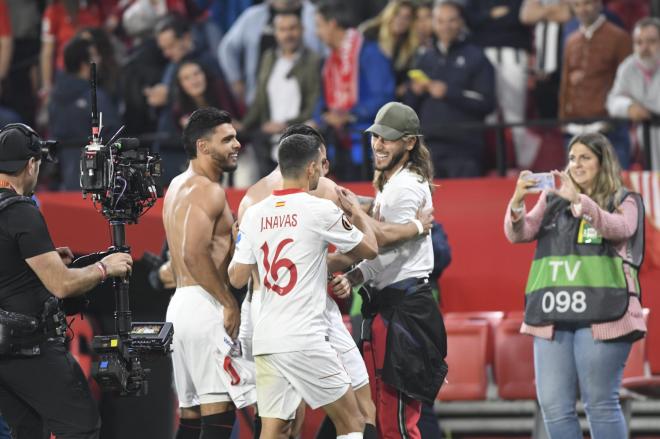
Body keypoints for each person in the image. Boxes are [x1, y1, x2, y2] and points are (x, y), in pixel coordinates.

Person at [236, 123, 433, 439]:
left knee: (278, 424)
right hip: (305, 316)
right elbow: (373, 242)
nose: (326, 169)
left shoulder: (252, 203)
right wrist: (416, 227)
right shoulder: (323, 194)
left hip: (262, 315)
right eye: (324, 161)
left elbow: (240, 273)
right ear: (312, 162)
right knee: (358, 412)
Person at [228, 133, 379, 439]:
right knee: (353, 421)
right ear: (312, 168)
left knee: (272, 431)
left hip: (267, 337)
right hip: (306, 336)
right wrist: (359, 214)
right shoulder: (319, 210)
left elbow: (236, 277)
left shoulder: (254, 214)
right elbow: (370, 250)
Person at [504, 132, 646, 439]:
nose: (575, 164)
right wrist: (517, 201)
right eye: (571, 157)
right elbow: (520, 232)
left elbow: (620, 228)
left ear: (602, 162)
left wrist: (580, 201)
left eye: (585, 157)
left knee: (600, 404)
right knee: (554, 406)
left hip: (604, 315)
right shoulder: (551, 199)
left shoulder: (626, 200)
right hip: (553, 313)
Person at [0, 123, 133, 438]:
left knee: (27, 430)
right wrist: (105, 267)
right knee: (80, 426)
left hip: (4, 352)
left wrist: (37, 260)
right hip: (28, 347)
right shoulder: (21, 211)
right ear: (31, 164)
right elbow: (63, 285)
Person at [339, 102, 448, 439]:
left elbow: (381, 240)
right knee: (387, 416)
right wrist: (355, 276)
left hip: (402, 312)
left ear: (410, 142)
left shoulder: (402, 187)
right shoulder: (392, 183)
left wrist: (352, 211)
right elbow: (387, 253)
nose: (378, 144)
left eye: (387, 139)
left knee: (397, 421)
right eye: (375, 137)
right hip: (391, 307)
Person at [163, 108, 256, 439]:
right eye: (227, 139)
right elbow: (192, 252)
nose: (237, 144)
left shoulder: (176, 185)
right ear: (203, 146)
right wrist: (228, 302)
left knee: (190, 417)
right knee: (218, 418)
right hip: (205, 307)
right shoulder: (209, 190)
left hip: (180, 308)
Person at [404, 1, 495, 178]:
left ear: (461, 22)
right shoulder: (425, 58)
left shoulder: (476, 56)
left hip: (464, 150)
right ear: (434, 24)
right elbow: (409, 106)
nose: (446, 26)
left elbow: (487, 103)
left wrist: (449, 92)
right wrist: (413, 92)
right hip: (428, 149)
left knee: (467, 204)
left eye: (452, 20)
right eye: (440, 21)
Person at [240, 10, 322, 177]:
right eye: (282, 29)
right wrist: (244, 124)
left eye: (292, 28)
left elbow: (313, 104)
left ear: (302, 30)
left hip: (301, 138)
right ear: (275, 32)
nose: (288, 34)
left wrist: (286, 125)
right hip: (268, 140)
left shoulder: (314, 60)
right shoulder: (268, 58)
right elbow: (259, 99)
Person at [559, 0, 632, 168]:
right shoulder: (571, 41)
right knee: (578, 191)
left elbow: (628, 83)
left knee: (616, 188)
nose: (582, 10)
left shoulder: (619, 37)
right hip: (575, 128)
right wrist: (563, 119)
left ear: (599, 4)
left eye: (586, 4)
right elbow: (566, 83)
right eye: (576, 5)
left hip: (609, 128)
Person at [607, 17, 660, 170]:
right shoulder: (627, 67)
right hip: (645, 137)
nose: (644, 48)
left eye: (651, 41)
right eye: (639, 42)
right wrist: (628, 106)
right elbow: (613, 101)